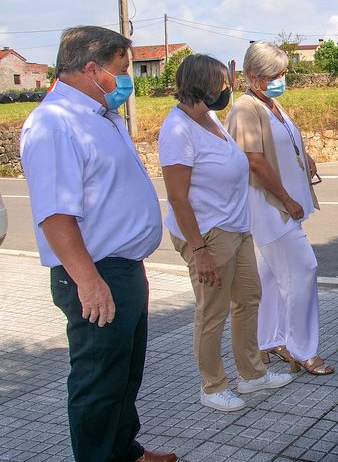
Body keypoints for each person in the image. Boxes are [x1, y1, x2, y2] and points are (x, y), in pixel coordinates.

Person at [19, 26, 176, 462]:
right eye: (122, 69)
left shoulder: (98, 116)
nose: (128, 79)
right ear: (92, 69)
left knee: (124, 374)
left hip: (122, 268)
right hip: (94, 272)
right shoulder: (54, 124)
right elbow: (55, 214)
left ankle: (125, 451)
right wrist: (88, 280)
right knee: (97, 381)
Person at [158, 54, 295, 412]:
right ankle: (213, 385)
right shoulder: (177, 130)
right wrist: (199, 249)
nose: (227, 88)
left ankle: (251, 374)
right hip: (208, 234)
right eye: (222, 82)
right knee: (212, 311)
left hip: (237, 227)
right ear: (201, 85)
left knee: (249, 299)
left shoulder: (211, 118)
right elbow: (177, 197)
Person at [226, 42, 334, 375]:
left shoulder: (270, 103)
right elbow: (254, 161)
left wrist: (307, 158)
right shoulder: (245, 109)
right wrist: (286, 198)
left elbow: (284, 142)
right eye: (275, 74)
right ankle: (302, 349)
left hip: (282, 205)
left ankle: (268, 339)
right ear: (252, 76)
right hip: (271, 207)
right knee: (303, 269)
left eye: (283, 72)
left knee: (272, 276)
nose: (281, 78)